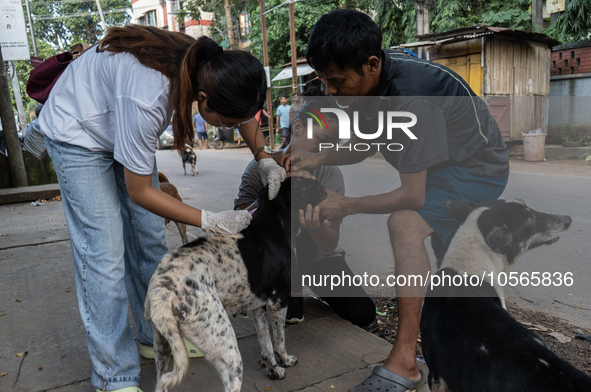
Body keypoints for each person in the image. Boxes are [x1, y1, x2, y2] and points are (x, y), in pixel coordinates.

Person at [38, 25, 285, 392]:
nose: (235, 129)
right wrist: (211, 219)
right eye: (228, 123)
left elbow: (243, 111)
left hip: (117, 123)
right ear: (203, 100)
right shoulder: (149, 93)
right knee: (103, 253)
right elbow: (140, 192)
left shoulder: (210, 65)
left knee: (149, 235)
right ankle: (115, 374)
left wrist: (264, 157)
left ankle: (152, 335)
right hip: (78, 133)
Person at [292, 10, 509, 392]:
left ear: (371, 65)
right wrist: (320, 156)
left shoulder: (411, 98)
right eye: (324, 81)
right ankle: (471, 344)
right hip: (444, 164)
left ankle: (405, 362)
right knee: (451, 269)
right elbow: (367, 143)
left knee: (404, 223)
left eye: (338, 82)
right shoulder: (374, 82)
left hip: (477, 168)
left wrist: (345, 205)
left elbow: (412, 195)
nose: (331, 91)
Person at [235, 99, 375, 327]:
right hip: (270, 258)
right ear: (298, 127)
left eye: (331, 146)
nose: (323, 152)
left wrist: (315, 225)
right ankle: (286, 291)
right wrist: (276, 193)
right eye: (320, 141)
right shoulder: (261, 167)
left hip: (317, 259)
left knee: (363, 313)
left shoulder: (330, 175)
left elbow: (330, 243)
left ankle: (301, 289)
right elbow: (238, 224)